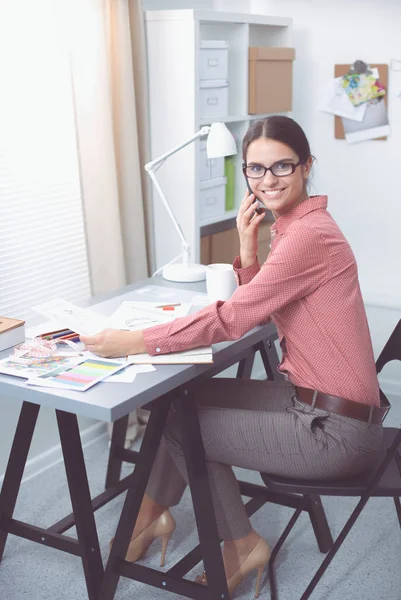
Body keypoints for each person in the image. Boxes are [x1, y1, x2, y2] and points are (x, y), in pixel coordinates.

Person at [81, 116, 383, 598]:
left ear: (307, 166)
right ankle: (151, 516)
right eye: (256, 169)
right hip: (314, 401)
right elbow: (266, 309)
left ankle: (237, 543)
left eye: (282, 165)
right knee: (184, 397)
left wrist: (136, 341)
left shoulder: (309, 234)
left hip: (336, 431)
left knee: (183, 424)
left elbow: (235, 319)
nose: (268, 180)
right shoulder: (294, 225)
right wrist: (246, 248)